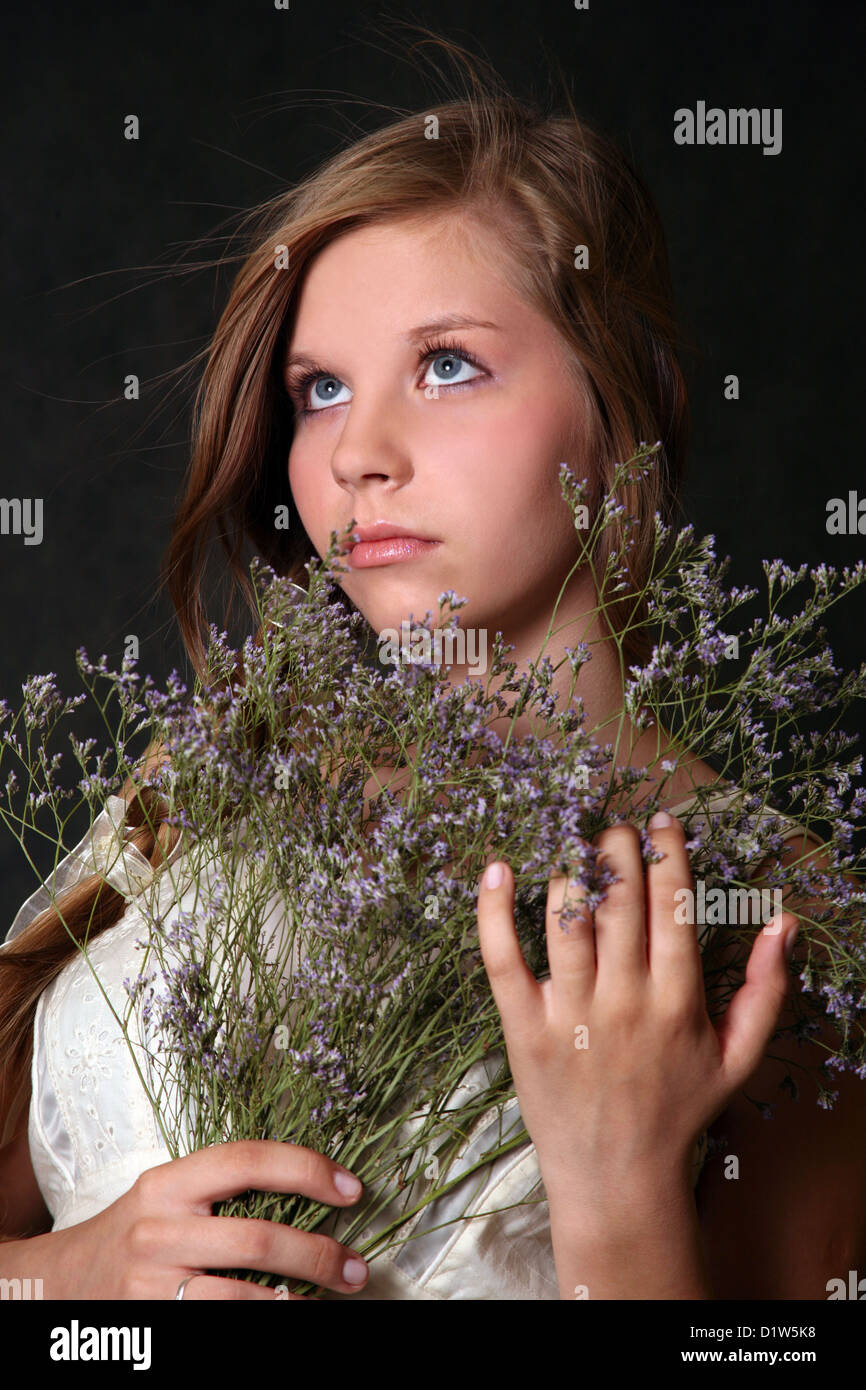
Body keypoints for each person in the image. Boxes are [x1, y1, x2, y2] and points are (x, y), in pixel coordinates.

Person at [1, 38, 864, 1301]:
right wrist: (77, 1280)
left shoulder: (796, 932)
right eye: (319, 388)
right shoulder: (209, 783)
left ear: (626, 401)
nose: (359, 452)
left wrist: (618, 1185)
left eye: (446, 364)